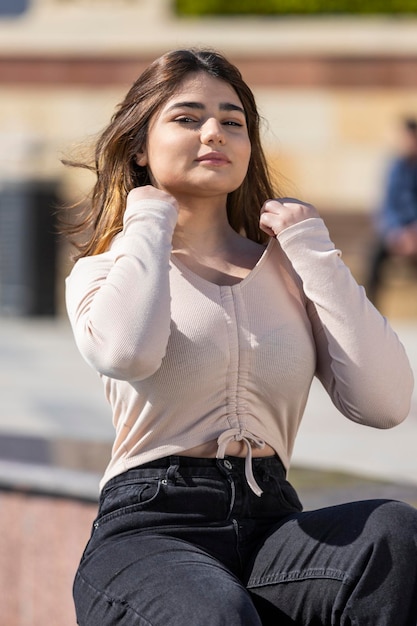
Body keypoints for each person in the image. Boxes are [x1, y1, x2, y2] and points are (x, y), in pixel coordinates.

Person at [63, 48, 417, 625]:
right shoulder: (106, 272)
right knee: (215, 612)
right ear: (138, 145)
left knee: (393, 533)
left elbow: (385, 403)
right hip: (151, 527)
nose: (214, 133)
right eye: (187, 118)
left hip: (271, 520)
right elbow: (127, 352)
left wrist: (312, 251)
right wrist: (148, 220)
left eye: (233, 121)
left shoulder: (293, 267)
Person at [366, 116, 417, 305]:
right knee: (372, 257)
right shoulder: (394, 167)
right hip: (398, 234)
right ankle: (372, 312)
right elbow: (386, 206)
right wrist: (395, 233)